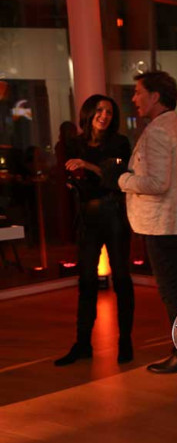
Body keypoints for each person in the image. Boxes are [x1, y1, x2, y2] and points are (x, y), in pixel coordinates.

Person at [117, 71, 177, 373]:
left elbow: (157, 183)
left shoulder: (158, 132)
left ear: (155, 96)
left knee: (173, 292)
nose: (134, 98)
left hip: (162, 225)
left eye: (138, 92)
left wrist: (122, 179)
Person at [54, 95, 134, 366]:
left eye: (109, 111)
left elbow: (117, 178)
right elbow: (70, 176)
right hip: (87, 216)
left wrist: (86, 166)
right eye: (99, 110)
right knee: (86, 280)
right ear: (89, 113)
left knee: (121, 278)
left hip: (113, 214)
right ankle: (82, 343)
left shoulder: (119, 142)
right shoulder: (74, 144)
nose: (104, 115)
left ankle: (125, 342)